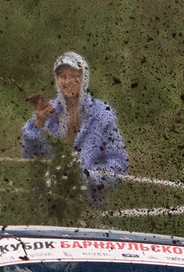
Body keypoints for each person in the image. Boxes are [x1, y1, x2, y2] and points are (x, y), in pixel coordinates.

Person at [17, 50, 129, 208]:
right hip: (47, 203)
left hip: (88, 204)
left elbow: (119, 165)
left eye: (74, 76)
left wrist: (86, 177)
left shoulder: (102, 114)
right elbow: (29, 158)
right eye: (62, 76)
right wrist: (39, 123)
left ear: (84, 78)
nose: (67, 81)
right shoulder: (49, 112)